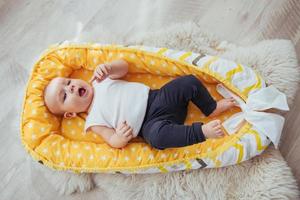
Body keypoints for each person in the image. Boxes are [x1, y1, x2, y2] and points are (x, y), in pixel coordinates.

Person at [43, 59, 235, 150]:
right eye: (64, 96)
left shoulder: (100, 80)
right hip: (149, 126)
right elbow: (112, 140)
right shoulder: (93, 121)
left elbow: (124, 67)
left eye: (68, 82)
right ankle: (201, 132)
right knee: (157, 140)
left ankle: (210, 108)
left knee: (189, 81)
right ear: (69, 114)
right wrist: (120, 137)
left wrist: (109, 68)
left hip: (158, 98)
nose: (71, 88)